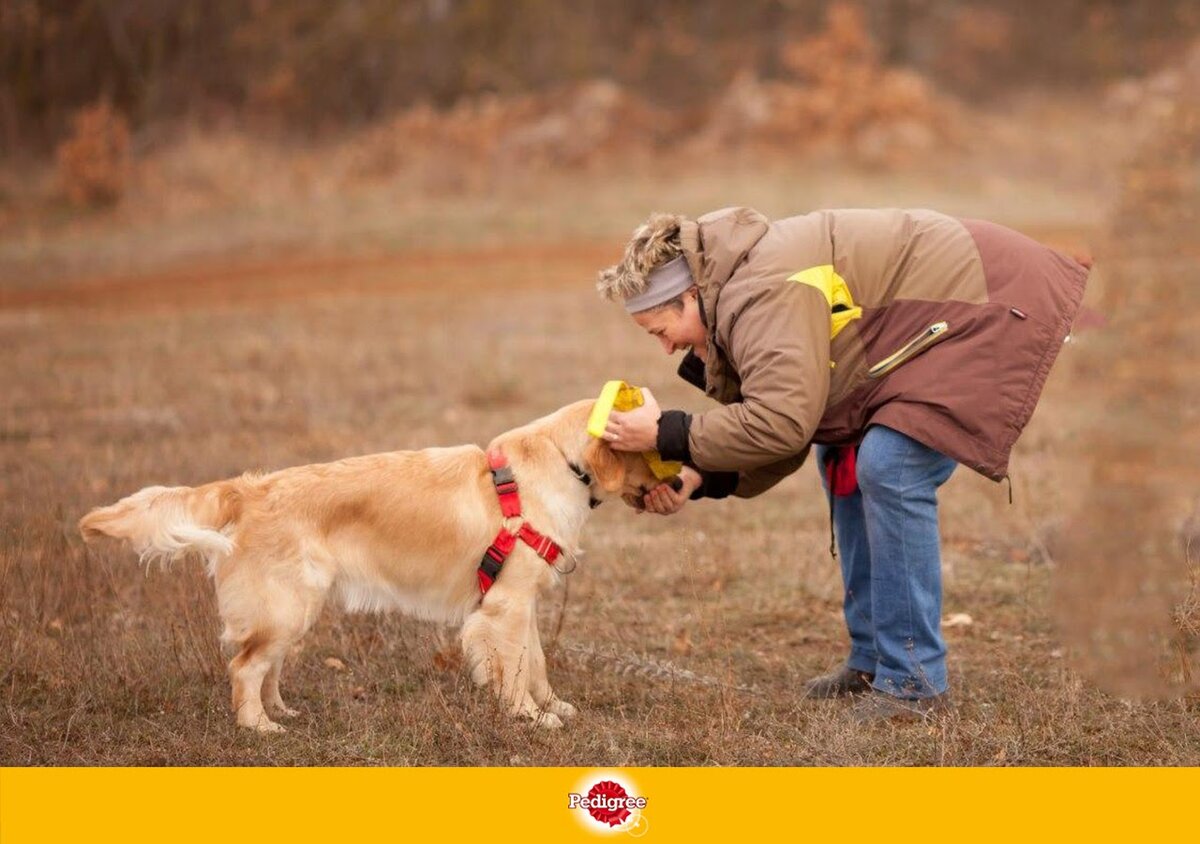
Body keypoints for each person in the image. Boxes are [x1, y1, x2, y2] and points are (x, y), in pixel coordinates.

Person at [595, 207, 1089, 722]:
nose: (666, 346)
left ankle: (914, 685)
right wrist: (696, 475)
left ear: (691, 295)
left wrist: (665, 433)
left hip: (991, 303)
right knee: (845, 454)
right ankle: (875, 659)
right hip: (938, 322)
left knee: (891, 464)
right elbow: (797, 425)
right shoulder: (736, 292)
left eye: (661, 328)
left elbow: (780, 422)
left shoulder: (760, 292)